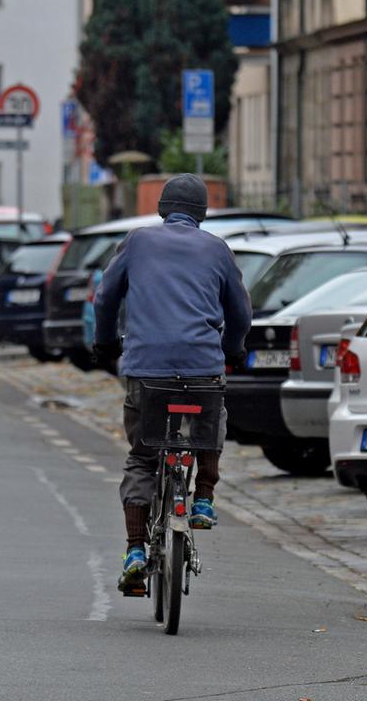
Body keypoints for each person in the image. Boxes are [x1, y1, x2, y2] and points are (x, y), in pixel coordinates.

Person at [91, 175, 251, 595]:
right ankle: (202, 498)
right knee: (210, 426)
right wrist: (233, 349)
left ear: (163, 209)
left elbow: (106, 296)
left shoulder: (138, 241)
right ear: (202, 213)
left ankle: (135, 550)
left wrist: (105, 342)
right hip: (201, 367)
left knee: (143, 456)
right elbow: (240, 309)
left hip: (147, 369)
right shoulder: (217, 248)